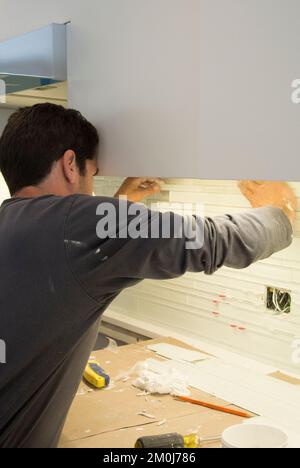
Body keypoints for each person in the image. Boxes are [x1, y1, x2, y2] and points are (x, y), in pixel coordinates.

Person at [0, 103, 296, 448]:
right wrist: (281, 214)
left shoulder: (14, 223)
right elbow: (207, 241)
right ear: (70, 165)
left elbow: (72, 249)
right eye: (92, 175)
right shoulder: (78, 223)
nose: (92, 191)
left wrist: (121, 202)